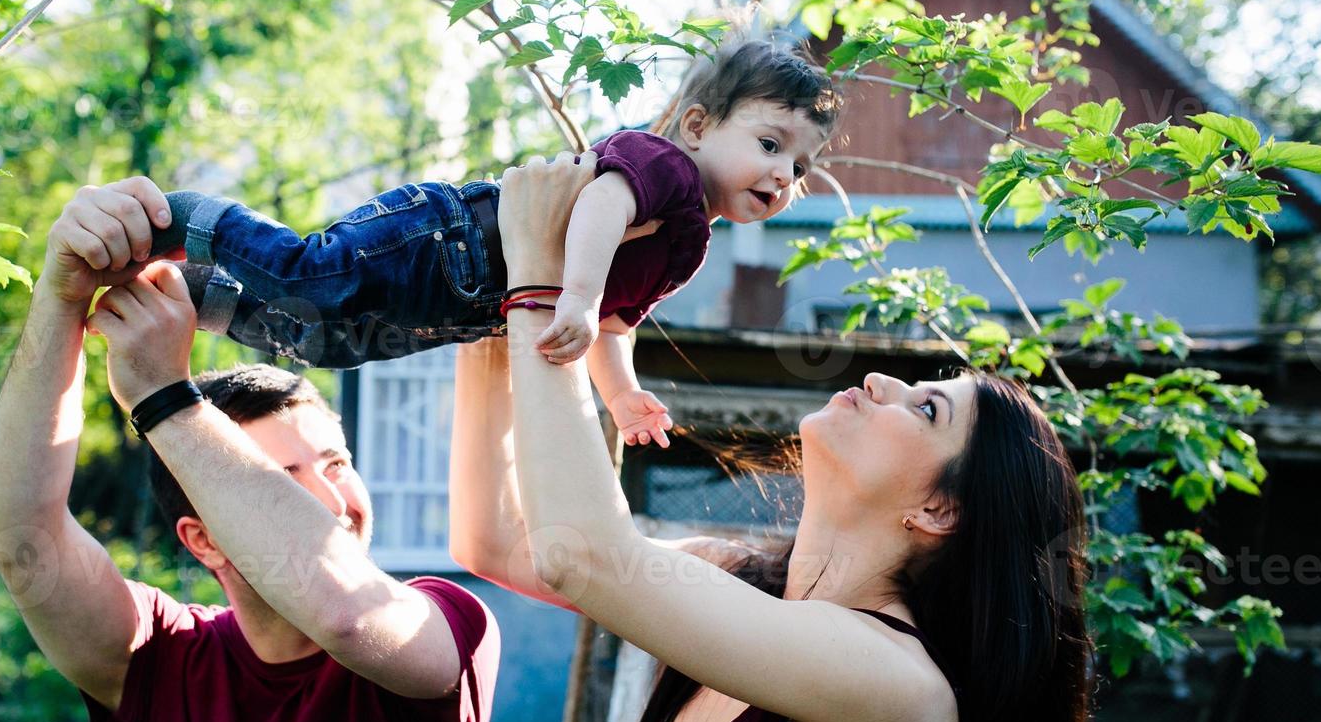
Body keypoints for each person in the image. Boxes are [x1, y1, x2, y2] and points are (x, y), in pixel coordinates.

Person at [450, 155, 1093, 722]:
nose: (881, 381)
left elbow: (585, 557)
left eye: (927, 408)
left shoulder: (898, 685)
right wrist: (491, 312)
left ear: (939, 511)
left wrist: (543, 284)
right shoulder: (740, 581)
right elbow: (498, 542)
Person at [0, 178, 499, 722]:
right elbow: (19, 537)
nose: (336, 501)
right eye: (279, 482)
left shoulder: (445, 621)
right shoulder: (162, 662)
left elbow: (345, 610)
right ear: (202, 541)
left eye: (335, 463)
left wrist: (165, 397)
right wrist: (60, 296)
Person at [148, 40, 839, 448]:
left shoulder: (690, 246)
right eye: (770, 145)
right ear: (697, 124)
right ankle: (194, 218)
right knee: (317, 277)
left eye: (800, 167)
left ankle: (207, 299)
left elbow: (612, 325)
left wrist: (622, 395)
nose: (783, 174)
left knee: (335, 342)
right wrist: (577, 293)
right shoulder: (666, 169)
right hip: (450, 237)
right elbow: (603, 202)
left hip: (468, 306)